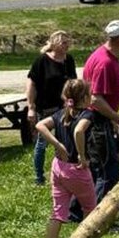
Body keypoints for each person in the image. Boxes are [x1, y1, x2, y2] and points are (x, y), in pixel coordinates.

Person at [35, 79, 103, 238]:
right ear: (84, 97)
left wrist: (56, 144)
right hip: (77, 171)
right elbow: (79, 132)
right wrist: (81, 156)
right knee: (89, 210)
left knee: (58, 213)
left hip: (58, 168)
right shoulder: (87, 115)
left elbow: (40, 125)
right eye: (90, 94)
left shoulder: (61, 113)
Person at [82, 20, 119, 204]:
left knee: (95, 170)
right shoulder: (105, 62)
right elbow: (96, 99)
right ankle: (98, 217)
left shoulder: (106, 56)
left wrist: (114, 120)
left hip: (102, 120)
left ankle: (76, 211)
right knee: (109, 171)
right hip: (98, 121)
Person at [26, 32, 76, 187]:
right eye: (63, 42)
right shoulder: (42, 61)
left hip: (64, 107)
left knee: (66, 139)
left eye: (68, 42)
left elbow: (73, 82)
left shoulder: (69, 60)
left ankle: (65, 170)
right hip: (45, 108)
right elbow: (31, 84)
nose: (66, 45)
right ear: (54, 44)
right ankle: (39, 177)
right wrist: (31, 107)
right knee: (42, 142)